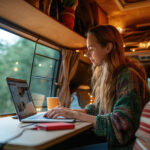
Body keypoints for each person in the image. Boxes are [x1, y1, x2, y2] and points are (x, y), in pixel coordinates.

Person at [44, 25, 150, 150]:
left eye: (91, 49)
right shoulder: (110, 75)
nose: (87, 54)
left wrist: (75, 114)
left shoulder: (128, 76)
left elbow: (122, 125)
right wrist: (66, 112)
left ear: (108, 47)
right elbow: (99, 108)